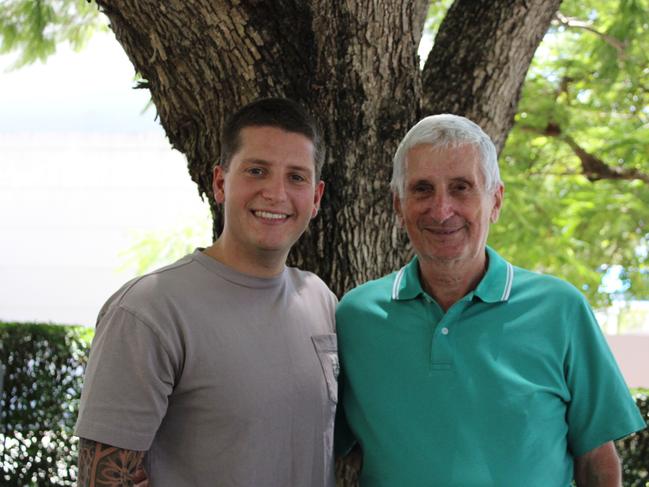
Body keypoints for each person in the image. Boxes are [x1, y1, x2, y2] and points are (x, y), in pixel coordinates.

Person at [335, 114, 646, 486]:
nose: (441, 209)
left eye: (461, 187)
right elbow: (339, 453)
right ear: (398, 205)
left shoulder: (560, 310)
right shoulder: (354, 318)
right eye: (422, 189)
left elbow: (596, 460)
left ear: (495, 200)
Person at [75, 98, 338, 487]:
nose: (276, 193)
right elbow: (103, 479)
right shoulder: (149, 311)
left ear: (315, 198)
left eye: (296, 177)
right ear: (220, 183)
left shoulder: (321, 300)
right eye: (256, 170)